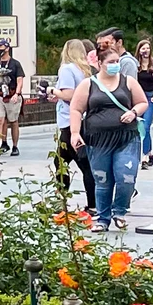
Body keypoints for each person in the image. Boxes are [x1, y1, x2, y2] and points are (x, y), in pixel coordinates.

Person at [69, 40, 143, 230]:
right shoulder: (88, 85)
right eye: (111, 62)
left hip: (126, 138)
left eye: (117, 61)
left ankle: (120, 210)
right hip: (98, 140)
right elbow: (76, 109)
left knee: (126, 176)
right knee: (102, 179)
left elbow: (142, 102)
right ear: (100, 64)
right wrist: (75, 133)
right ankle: (103, 218)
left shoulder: (128, 82)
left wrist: (133, 112)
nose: (115, 65)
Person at [51, 39, 97, 210]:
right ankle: (61, 200)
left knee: (82, 164)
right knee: (61, 161)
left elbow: (69, 95)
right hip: (83, 119)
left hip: (69, 122)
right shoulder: (85, 70)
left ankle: (92, 204)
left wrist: (53, 91)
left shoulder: (67, 69)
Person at [0, 40, 25, 155]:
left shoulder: (15, 64)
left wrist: (17, 94)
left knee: (13, 121)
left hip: (11, 95)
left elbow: (20, 79)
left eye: (1, 46)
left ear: (7, 48)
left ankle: (15, 146)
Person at [135, 38, 153, 167]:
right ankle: (150, 153)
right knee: (140, 127)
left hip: (151, 97)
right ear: (139, 50)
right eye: (143, 48)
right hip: (139, 98)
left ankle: (145, 156)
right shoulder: (136, 65)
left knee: (145, 127)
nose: (146, 50)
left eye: (147, 48)